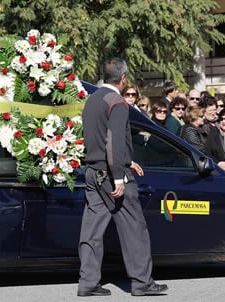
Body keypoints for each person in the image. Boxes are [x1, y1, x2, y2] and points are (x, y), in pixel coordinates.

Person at [78, 57, 167, 297]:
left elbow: (96, 138)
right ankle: (142, 283)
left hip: (92, 172)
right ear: (123, 78)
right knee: (134, 228)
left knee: (92, 231)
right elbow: (113, 141)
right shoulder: (116, 102)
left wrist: (127, 160)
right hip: (112, 175)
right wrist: (119, 175)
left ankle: (87, 282)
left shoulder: (92, 100)